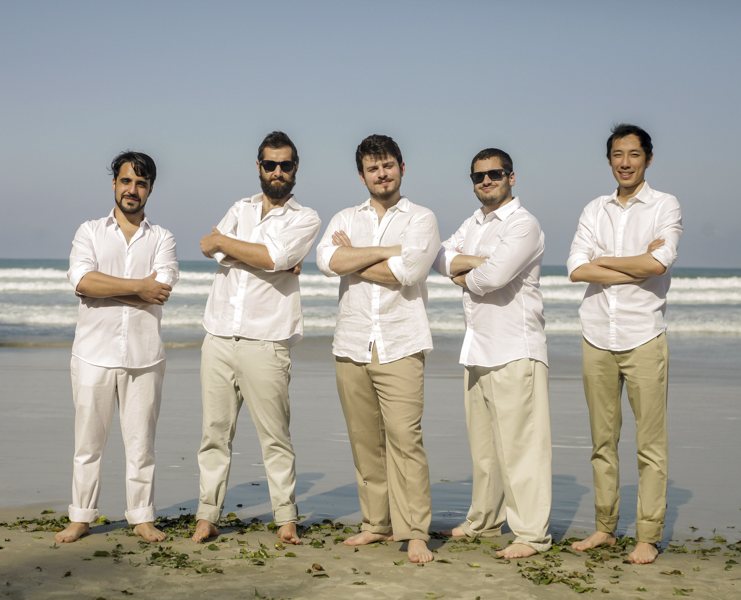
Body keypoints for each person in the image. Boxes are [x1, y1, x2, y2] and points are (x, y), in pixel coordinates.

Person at [192, 131, 321, 546]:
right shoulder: (239, 208)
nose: (278, 171)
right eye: (270, 164)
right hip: (218, 337)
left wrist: (253, 254)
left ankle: (286, 518)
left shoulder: (307, 218)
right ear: (259, 167)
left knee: (275, 437)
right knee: (214, 434)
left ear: (296, 167)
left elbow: (274, 258)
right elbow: (210, 247)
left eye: (285, 164)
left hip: (267, 341)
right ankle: (207, 515)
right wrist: (261, 256)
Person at [316, 134, 439, 563]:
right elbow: (327, 261)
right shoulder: (346, 216)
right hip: (351, 342)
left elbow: (409, 272)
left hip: (401, 341)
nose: (381, 173)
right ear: (362, 174)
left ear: (402, 168)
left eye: (387, 165)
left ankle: (415, 531)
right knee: (364, 441)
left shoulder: (422, 218)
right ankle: (376, 524)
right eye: (373, 167)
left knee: (406, 439)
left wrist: (357, 259)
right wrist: (386, 252)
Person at [567, 124, 683, 564]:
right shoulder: (594, 209)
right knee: (602, 440)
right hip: (596, 335)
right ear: (610, 159)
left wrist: (607, 262)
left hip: (643, 337)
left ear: (647, 159)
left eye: (634, 154)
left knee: (650, 443)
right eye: (618, 154)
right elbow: (577, 269)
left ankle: (648, 535)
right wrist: (633, 266)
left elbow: (659, 262)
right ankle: (605, 528)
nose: (625, 162)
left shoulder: (664, 205)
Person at [433, 148, 552, 558]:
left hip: (515, 347)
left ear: (511, 177)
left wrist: (468, 273)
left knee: (522, 449)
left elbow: (494, 278)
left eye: (494, 174)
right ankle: (484, 521)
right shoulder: (474, 222)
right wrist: (472, 265)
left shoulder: (524, 224)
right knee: (484, 450)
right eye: (478, 176)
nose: (486, 181)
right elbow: (438, 256)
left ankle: (531, 535)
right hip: (478, 347)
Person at [57, 151, 179, 543]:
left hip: (145, 357)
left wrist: (110, 289)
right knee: (87, 444)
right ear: (114, 184)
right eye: (126, 181)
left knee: (141, 445)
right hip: (93, 353)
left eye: (141, 183)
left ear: (150, 189)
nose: (132, 190)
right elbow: (82, 282)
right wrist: (136, 287)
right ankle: (80, 516)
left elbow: (159, 292)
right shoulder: (89, 231)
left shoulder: (163, 238)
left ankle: (142, 516)